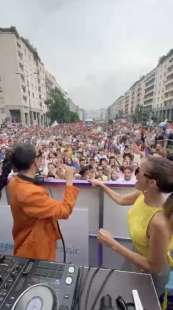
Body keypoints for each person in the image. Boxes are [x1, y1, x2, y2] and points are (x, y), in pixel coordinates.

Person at [91, 156, 173, 296]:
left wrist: (112, 243)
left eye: (139, 171)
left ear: (152, 182)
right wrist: (102, 186)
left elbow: (154, 266)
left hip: (150, 275)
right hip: (135, 259)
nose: (135, 173)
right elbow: (121, 199)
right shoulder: (144, 193)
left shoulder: (159, 222)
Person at [1, 143, 79, 261]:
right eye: (40, 155)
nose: (42, 158)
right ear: (34, 162)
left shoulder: (14, 182)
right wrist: (69, 181)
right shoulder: (30, 193)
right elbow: (65, 210)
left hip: (27, 247)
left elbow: (26, 180)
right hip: (36, 252)